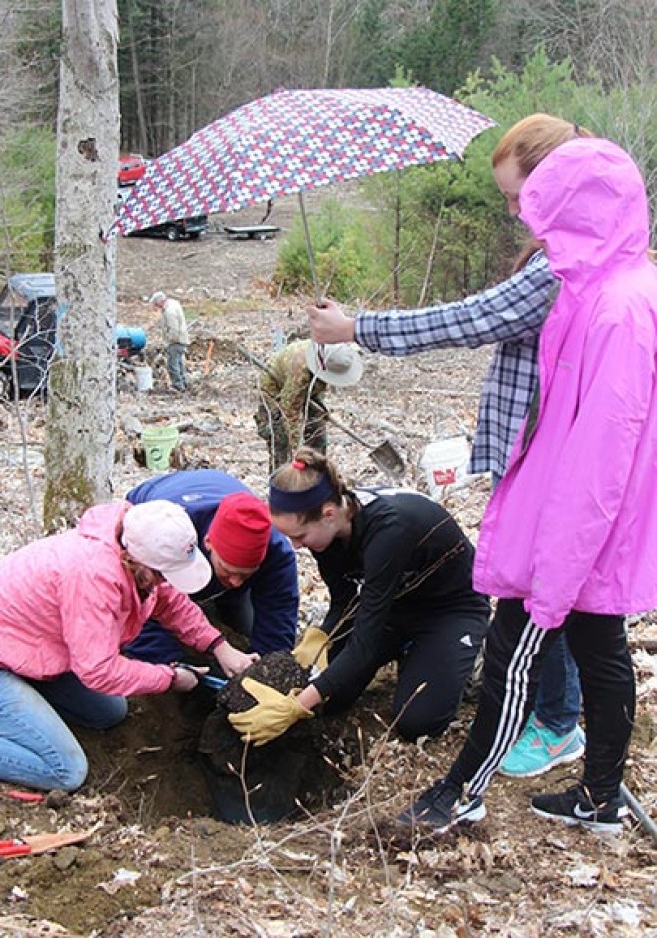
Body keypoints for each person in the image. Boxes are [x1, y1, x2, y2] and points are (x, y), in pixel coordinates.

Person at [304, 114, 592, 780]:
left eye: (521, 196)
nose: (517, 212)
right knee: (534, 586)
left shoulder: (562, 263)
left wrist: (358, 327)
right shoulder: (557, 251)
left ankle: (557, 722)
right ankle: (546, 707)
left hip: (554, 454)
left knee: (548, 591)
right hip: (534, 451)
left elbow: (473, 318)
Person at [398, 134, 657, 836]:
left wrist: (556, 566)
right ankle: (601, 796)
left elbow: (601, 458)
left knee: (514, 649)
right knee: (602, 647)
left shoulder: (617, 310)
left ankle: (461, 792)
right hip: (585, 515)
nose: (526, 221)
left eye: (538, 206)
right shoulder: (603, 285)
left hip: (577, 521)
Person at [0, 500, 256, 791]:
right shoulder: (92, 577)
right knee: (66, 771)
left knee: (109, 712)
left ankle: (26, 703)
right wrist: (169, 678)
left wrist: (218, 645)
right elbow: (98, 670)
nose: (165, 583)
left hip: (21, 647)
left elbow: (169, 602)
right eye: (162, 575)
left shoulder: (137, 554)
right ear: (137, 562)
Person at [228, 447, 491, 747]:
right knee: (330, 698)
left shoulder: (389, 530)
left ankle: (452, 656)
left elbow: (364, 642)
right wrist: (321, 638)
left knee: (417, 723)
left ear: (328, 514)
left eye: (299, 537)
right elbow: (344, 599)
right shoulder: (328, 534)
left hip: (448, 610)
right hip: (389, 606)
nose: (296, 546)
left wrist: (298, 704)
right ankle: (408, 652)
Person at [123, 470, 298, 662]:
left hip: (213, 502)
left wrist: (267, 668)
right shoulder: (169, 537)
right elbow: (135, 610)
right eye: (230, 571)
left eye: (245, 575)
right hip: (158, 504)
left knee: (244, 630)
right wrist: (172, 665)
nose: (236, 582)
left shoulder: (276, 553)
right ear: (208, 543)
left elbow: (277, 621)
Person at [254, 338, 363, 474]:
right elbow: (289, 413)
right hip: (275, 387)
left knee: (317, 432)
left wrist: (319, 410)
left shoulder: (335, 354)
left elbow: (318, 385)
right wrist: (296, 450)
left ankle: (317, 477)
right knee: (282, 440)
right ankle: (282, 481)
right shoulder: (301, 373)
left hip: (307, 382)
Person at [150, 290, 189, 391]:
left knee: (172, 364)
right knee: (179, 363)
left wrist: (170, 341)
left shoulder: (169, 311)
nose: (156, 306)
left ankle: (178, 386)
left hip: (175, 341)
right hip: (181, 338)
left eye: (156, 304)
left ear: (160, 302)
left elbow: (173, 329)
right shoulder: (173, 303)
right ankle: (184, 383)